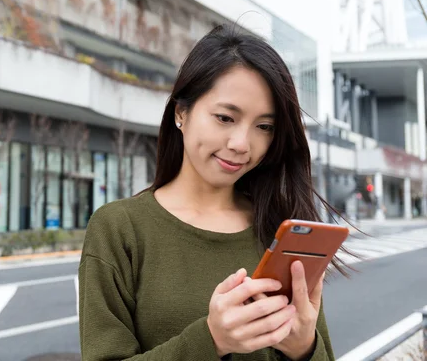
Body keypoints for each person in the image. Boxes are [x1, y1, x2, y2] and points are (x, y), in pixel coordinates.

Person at [78, 25, 349, 360]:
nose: (241, 144)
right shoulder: (119, 228)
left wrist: (303, 349)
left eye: (264, 127)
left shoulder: (280, 228)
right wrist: (212, 340)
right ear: (181, 112)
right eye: (225, 117)